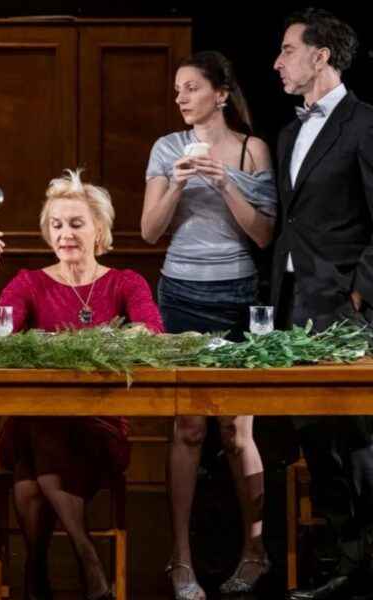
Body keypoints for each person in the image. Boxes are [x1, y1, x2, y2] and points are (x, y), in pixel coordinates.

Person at [0, 170, 163, 600]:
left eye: (76, 223)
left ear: (99, 229)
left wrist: (98, 343)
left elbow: (151, 331)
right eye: (56, 225)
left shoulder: (124, 281)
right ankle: (89, 564)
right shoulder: (30, 282)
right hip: (32, 427)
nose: (64, 234)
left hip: (98, 428)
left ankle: (35, 573)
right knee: (42, 422)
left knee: (28, 477)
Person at [141, 51, 277, 599]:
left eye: (191, 87)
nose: (180, 97)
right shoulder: (166, 147)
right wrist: (176, 184)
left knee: (236, 430)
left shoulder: (251, 150)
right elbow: (149, 231)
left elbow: (263, 235)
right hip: (180, 295)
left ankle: (255, 552)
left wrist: (225, 184)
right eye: (177, 89)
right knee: (189, 427)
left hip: (237, 294)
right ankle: (181, 560)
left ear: (221, 93)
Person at [271, 8, 373, 599]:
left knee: (356, 437)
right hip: (292, 304)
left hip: (343, 305)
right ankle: (346, 559)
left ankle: (364, 562)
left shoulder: (364, 123)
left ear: (321, 55)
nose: (277, 62)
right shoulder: (289, 133)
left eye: (287, 50)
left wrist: (359, 290)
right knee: (311, 434)